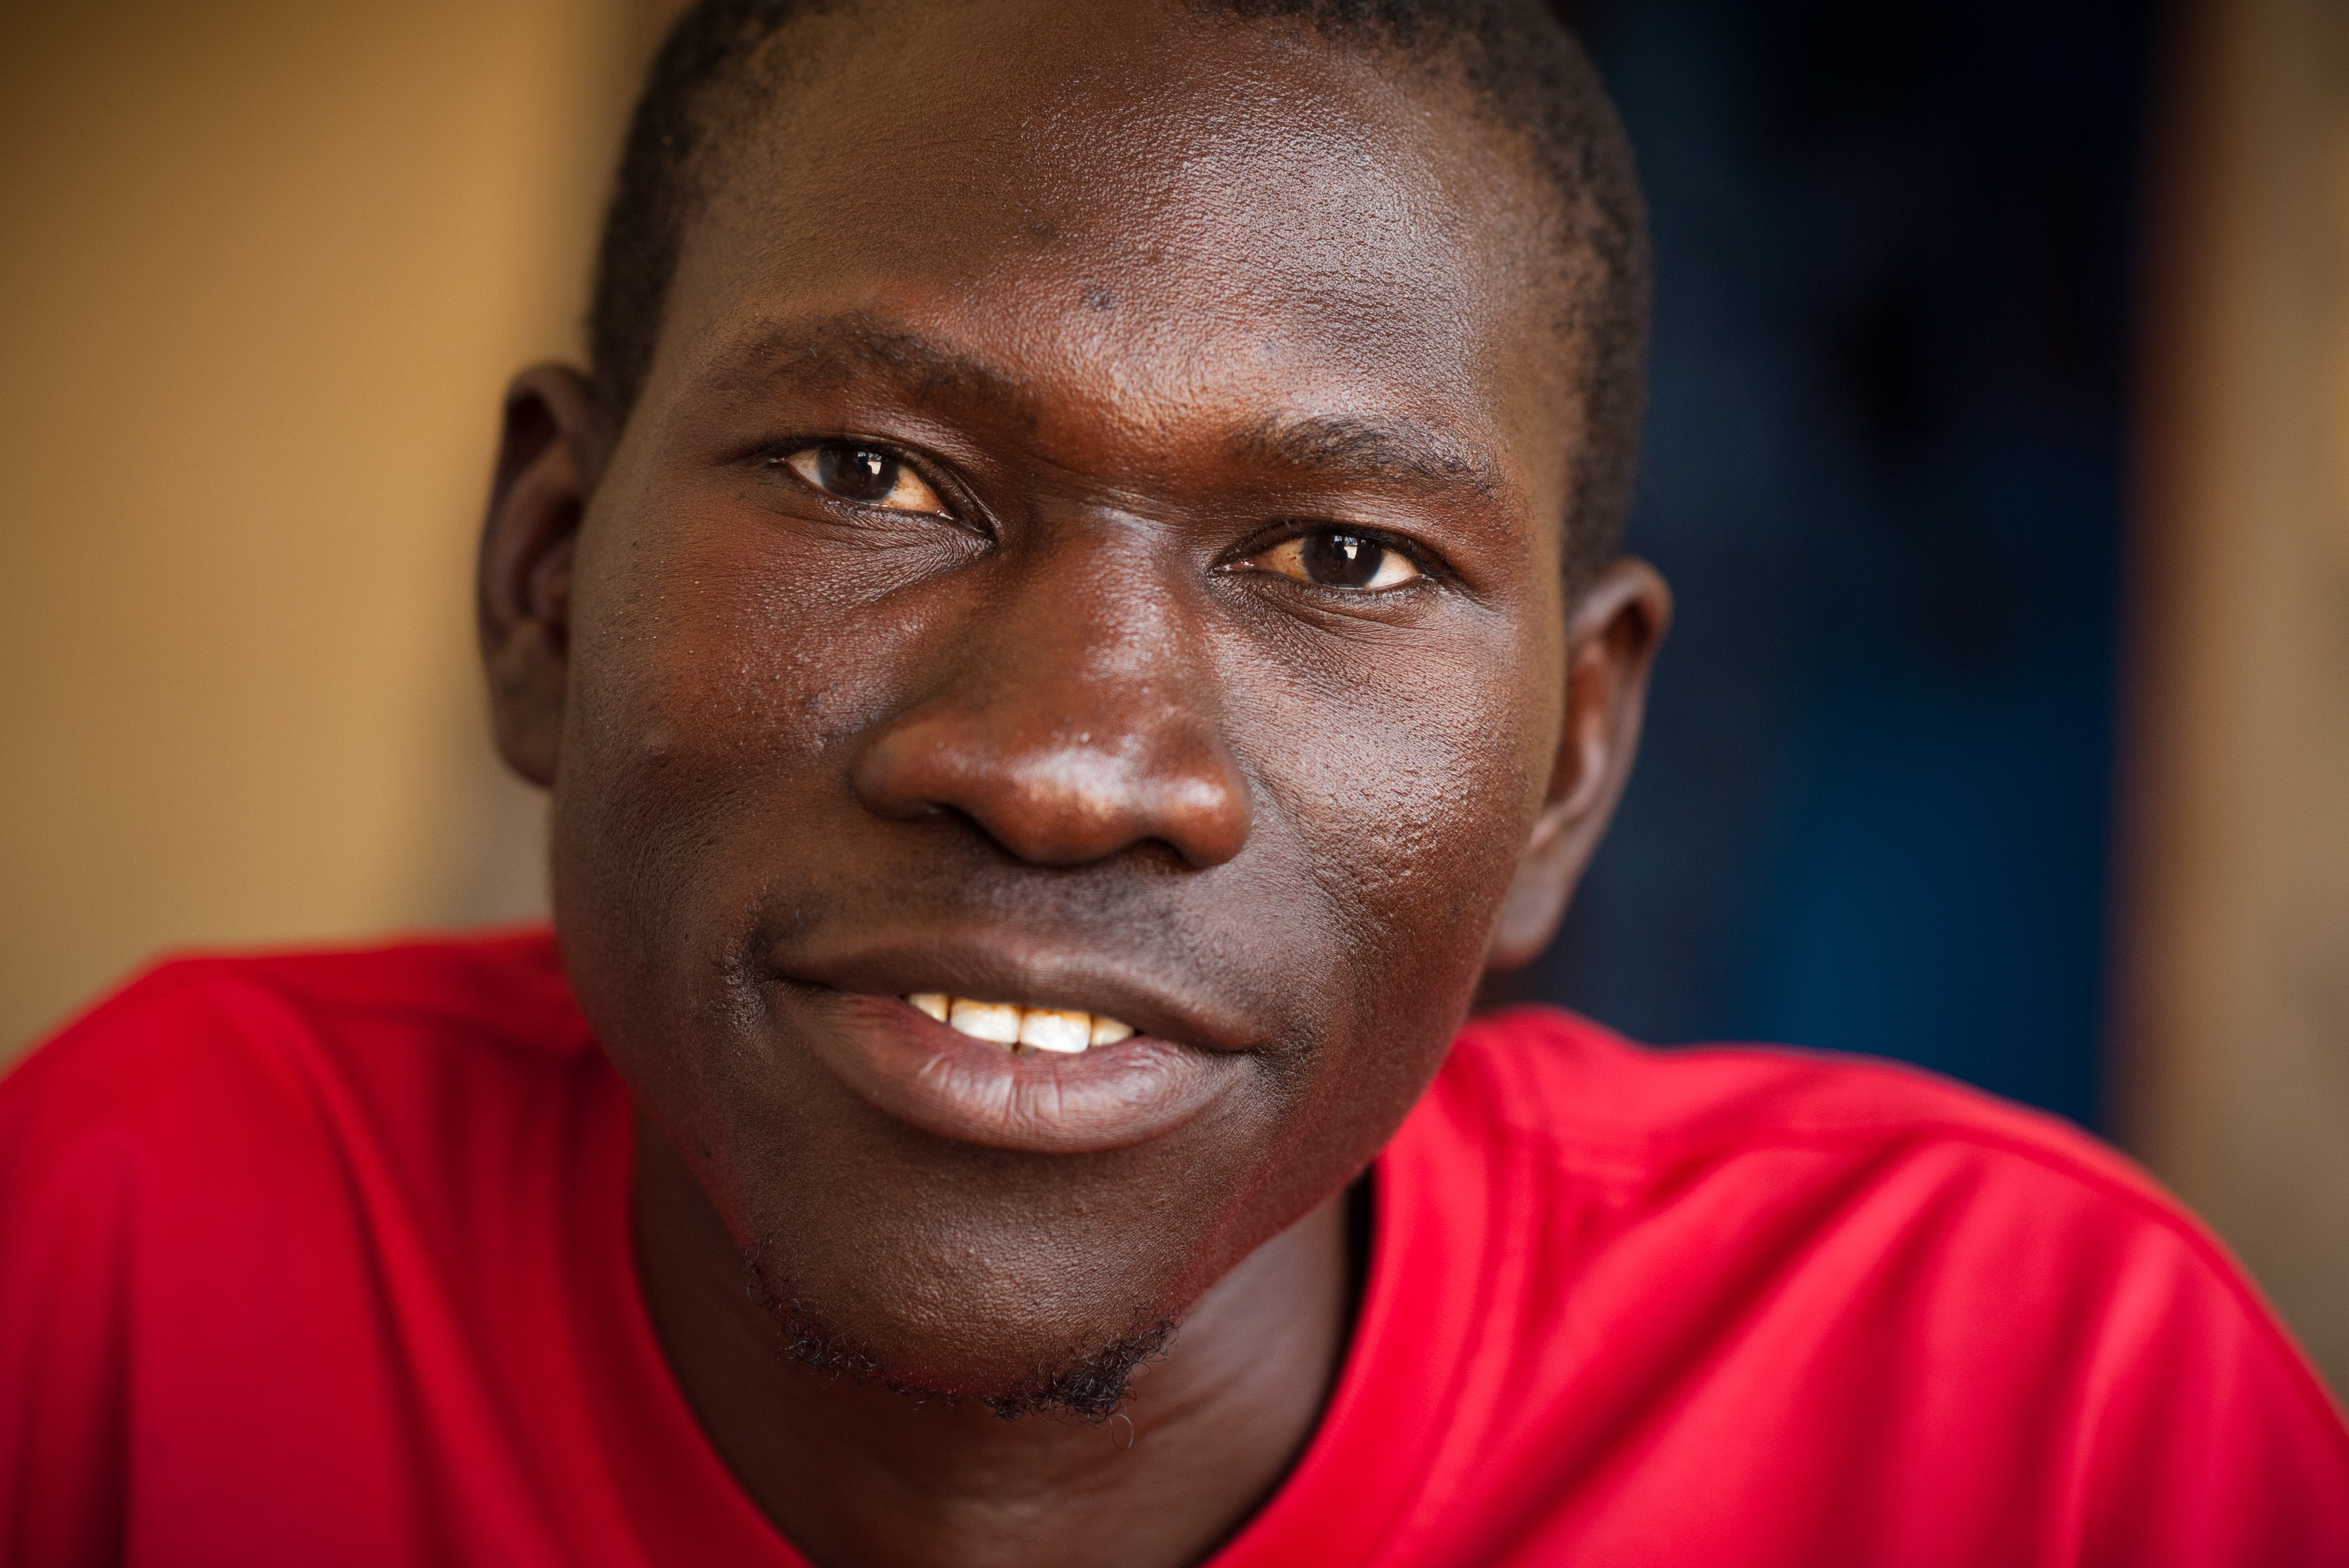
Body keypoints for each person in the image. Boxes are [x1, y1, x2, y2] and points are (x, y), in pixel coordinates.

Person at [4, 1, 2345, 1563]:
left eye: (1336, 554)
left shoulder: (2018, 1427)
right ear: (543, 579)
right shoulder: (125, 1261)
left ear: (1569, 767)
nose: (1060, 768)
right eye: (868, 474)